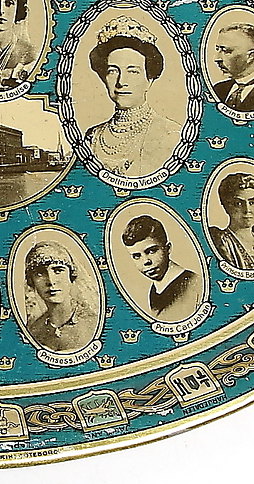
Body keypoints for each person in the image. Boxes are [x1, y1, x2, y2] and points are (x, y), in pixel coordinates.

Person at [85, 17, 180, 177]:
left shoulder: (171, 134)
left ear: (149, 80)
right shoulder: (93, 136)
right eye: (113, 71)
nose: (121, 82)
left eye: (133, 71)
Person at [121, 215, 202, 322]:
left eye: (151, 251)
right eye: (137, 256)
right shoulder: (155, 289)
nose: (146, 261)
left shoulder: (194, 284)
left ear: (168, 248)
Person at [24, 241, 99, 352]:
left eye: (58, 271)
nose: (51, 281)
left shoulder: (93, 324)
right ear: (32, 281)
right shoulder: (33, 330)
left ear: (71, 276)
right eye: (40, 273)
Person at [208, 172, 254, 269]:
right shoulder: (222, 244)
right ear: (226, 206)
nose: (247, 210)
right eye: (238, 203)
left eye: (252, 202)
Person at [211, 22, 254, 112]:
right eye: (217, 49)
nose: (217, 59)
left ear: (251, 56)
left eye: (226, 51)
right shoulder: (218, 89)